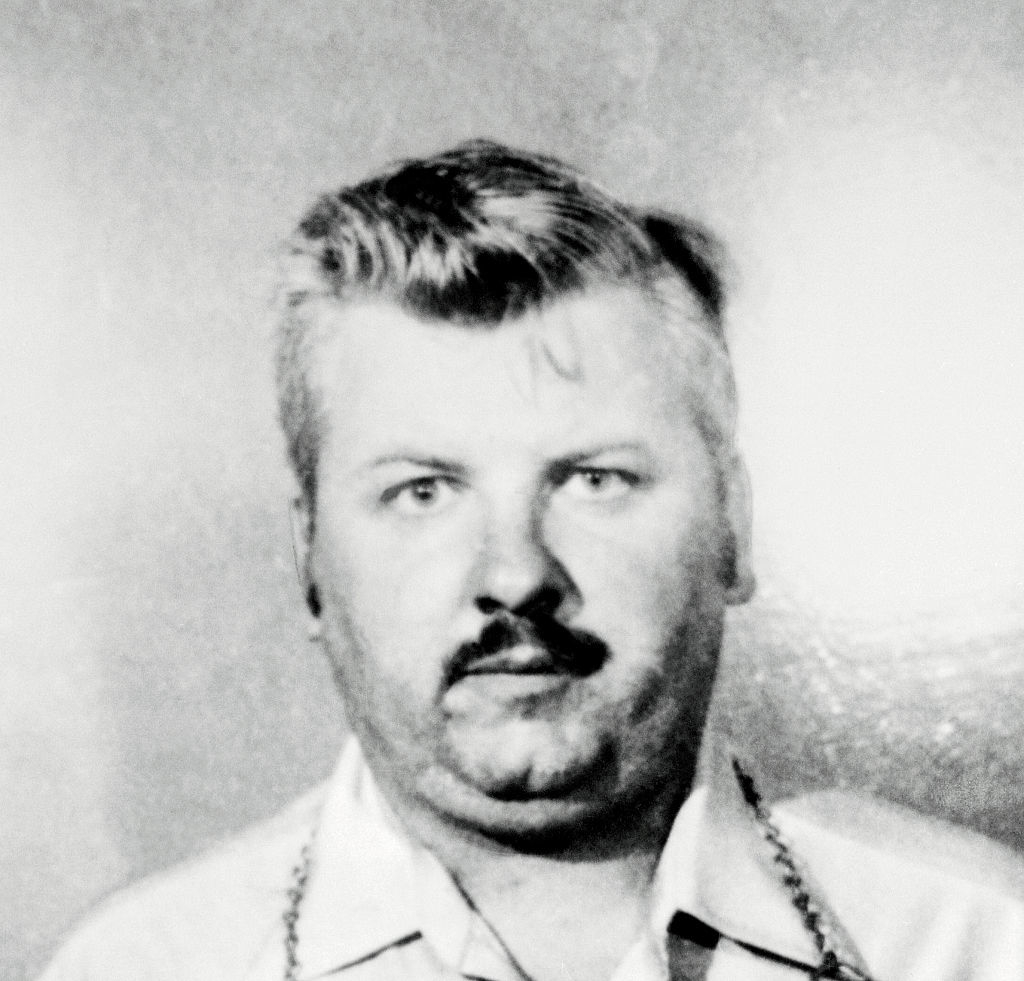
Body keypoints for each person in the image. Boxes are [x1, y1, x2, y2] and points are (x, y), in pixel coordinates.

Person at [40, 141, 1024, 981]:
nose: (513, 575)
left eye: (594, 480)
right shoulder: (144, 966)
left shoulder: (975, 943)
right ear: (309, 557)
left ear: (734, 526)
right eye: (422, 491)